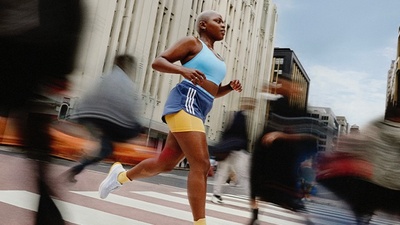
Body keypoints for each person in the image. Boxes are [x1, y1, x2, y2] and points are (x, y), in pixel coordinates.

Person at [98, 10, 242, 225]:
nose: (223, 26)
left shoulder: (218, 56)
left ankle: (119, 177)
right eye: (218, 21)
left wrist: (228, 88)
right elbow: (158, 62)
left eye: (224, 23)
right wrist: (182, 71)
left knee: (164, 164)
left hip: (199, 108)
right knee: (201, 165)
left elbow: (212, 90)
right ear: (203, 25)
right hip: (185, 102)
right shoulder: (192, 43)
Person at [0, 0, 82, 224]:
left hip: (28, 54)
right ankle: (48, 212)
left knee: (35, 145)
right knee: (35, 147)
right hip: (28, 53)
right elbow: (73, 12)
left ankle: (48, 211)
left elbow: (71, 10)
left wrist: (62, 69)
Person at [65, 54, 143, 182]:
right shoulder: (127, 83)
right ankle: (88, 160)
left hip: (91, 117)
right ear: (128, 67)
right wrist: (137, 128)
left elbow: (89, 96)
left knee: (106, 148)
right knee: (134, 129)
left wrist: (78, 115)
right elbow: (131, 106)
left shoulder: (105, 78)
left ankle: (78, 167)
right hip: (113, 122)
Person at [210, 99, 253, 204]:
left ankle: (216, 195)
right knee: (242, 175)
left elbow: (226, 133)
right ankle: (252, 198)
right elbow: (237, 134)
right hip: (236, 150)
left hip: (228, 149)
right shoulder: (240, 116)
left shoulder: (238, 115)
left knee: (223, 173)